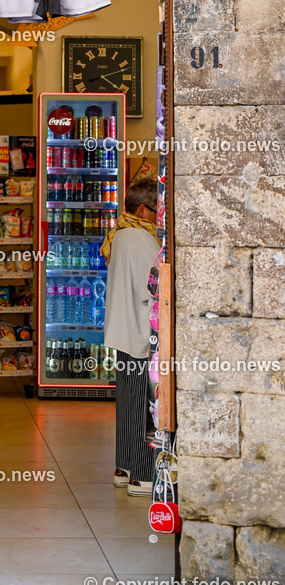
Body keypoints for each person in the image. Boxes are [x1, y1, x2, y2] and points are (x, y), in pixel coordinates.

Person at [102, 176, 159, 497]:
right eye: (156, 210)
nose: (159, 215)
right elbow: (152, 287)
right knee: (141, 405)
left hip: (122, 331)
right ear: (141, 209)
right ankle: (141, 474)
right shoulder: (142, 240)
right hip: (140, 332)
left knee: (126, 403)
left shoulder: (121, 234)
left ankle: (123, 466)